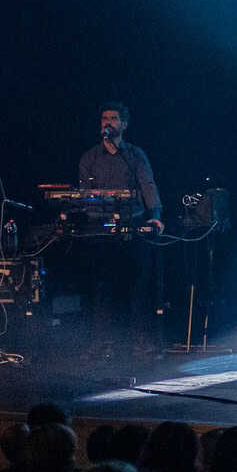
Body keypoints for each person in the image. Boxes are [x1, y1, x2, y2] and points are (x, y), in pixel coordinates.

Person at [71, 102, 163, 359]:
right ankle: (103, 344)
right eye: (104, 118)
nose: (107, 123)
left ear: (123, 124)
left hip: (133, 225)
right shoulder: (89, 158)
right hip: (100, 229)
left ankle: (141, 343)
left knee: (138, 285)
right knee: (102, 287)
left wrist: (155, 216)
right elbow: (84, 196)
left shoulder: (135, 155)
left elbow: (148, 186)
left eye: (113, 118)